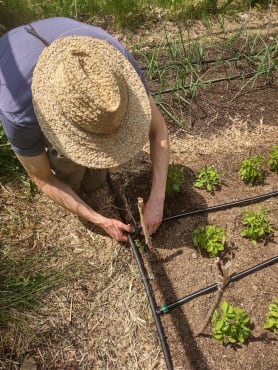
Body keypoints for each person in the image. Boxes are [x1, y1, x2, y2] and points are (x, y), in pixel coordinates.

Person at [0, 17, 169, 242]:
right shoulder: (18, 110)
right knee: (69, 170)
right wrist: (98, 220)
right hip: (14, 61)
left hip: (59, 34)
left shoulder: (113, 62)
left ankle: (88, 177)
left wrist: (158, 198)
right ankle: (73, 179)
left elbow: (159, 132)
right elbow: (42, 178)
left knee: (95, 180)